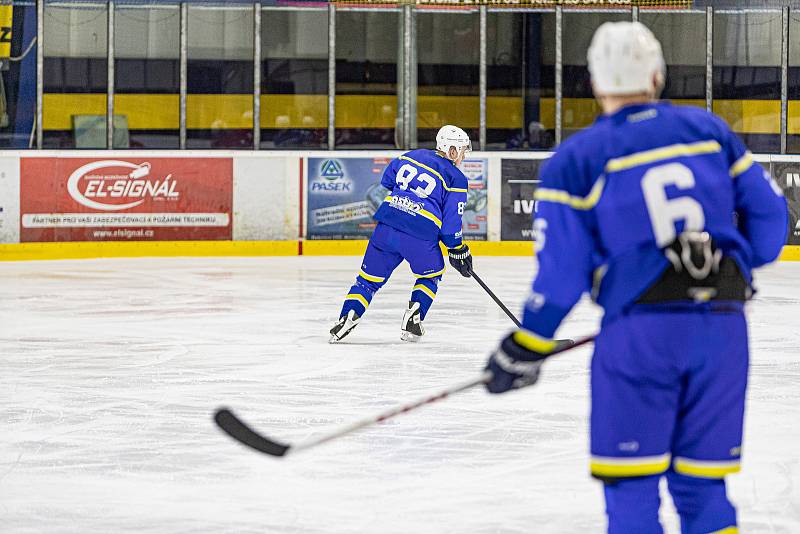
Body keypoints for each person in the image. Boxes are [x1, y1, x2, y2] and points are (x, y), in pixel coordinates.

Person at [483, 22, 787, 533]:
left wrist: (526, 344)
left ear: (596, 83)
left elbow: (561, 274)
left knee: (632, 486)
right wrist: (724, 277)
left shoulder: (576, 159)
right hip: (721, 330)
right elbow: (773, 223)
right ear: (657, 75)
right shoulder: (707, 130)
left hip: (640, 339)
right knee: (703, 487)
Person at [330, 125, 475, 343]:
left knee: (366, 282)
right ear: (452, 150)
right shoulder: (457, 178)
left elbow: (387, 181)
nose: (463, 155)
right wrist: (458, 249)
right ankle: (413, 317)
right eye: (463, 150)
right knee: (430, 275)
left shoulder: (411, 155)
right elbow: (451, 224)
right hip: (420, 234)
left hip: (387, 225)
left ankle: (348, 316)